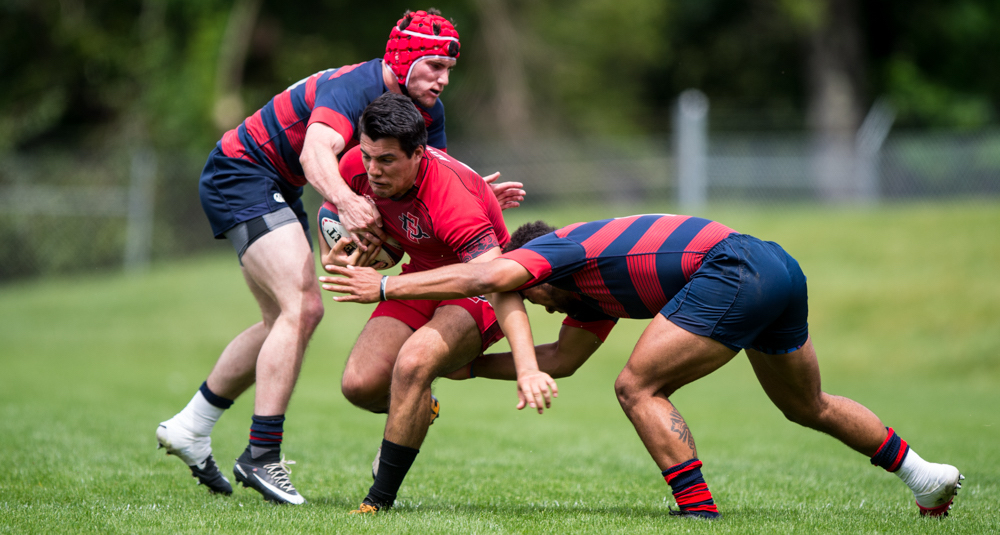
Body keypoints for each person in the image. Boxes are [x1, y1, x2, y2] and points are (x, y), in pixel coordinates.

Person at [321, 214, 965, 518]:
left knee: (637, 386)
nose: (537, 308)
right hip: (776, 268)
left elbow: (486, 275)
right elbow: (563, 361)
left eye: (532, 294)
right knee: (807, 405)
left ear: (535, 271)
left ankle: (699, 512)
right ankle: (924, 475)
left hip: (733, 267)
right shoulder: (593, 292)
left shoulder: (557, 253)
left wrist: (383, 290)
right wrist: (465, 371)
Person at [154, 9, 524, 505]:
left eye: (449, 69)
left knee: (278, 323)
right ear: (404, 58)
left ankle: (191, 426)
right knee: (302, 307)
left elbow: (427, 181)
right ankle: (262, 455)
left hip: (281, 187)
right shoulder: (356, 87)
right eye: (434, 65)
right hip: (243, 172)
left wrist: (474, 194)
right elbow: (315, 156)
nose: (443, 79)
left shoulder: (424, 109)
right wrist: (349, 205)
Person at [318, 92, 555, 514]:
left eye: (387, 161)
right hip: (421, 276)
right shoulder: (357, 164)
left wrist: (385, 287)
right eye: (368, 155)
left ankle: (378, 502)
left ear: (419, 155)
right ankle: (420, 407)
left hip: (481, 294)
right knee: (360, 385)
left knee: (413, 364)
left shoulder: (452, 197)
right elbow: (332, 217)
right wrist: (335, 252)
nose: (372, 170)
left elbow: (491, 279)